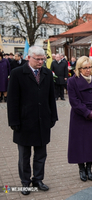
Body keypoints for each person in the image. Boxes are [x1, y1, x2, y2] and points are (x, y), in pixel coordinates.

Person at [7, 46, 58, 195]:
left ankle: (38, 179)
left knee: (41, 154)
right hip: (24, 122)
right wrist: (13, 121)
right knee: (24, 156)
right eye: (38, 59)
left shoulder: (48, 73)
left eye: (43, 59)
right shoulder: (17, 73)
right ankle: (25, 182)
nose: (41, 62)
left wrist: (53, 116)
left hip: (43, 121)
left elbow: (51, 98)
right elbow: (12, 100)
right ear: (29, 58)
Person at [67, 56, 92, 182]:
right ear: (79, 68)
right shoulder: (72, 81)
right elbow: (74, 101)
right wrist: (86, 112)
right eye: (85, 68)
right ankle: (81, 168)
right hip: (80, 117)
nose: (88, 70)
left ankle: (89, 168)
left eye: (90, 67)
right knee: (79, 144)